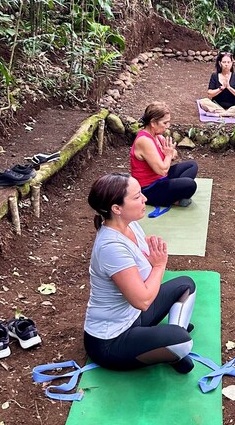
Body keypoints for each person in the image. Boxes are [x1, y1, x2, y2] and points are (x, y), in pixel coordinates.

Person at [84, 173, 196, 374]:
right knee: (183, 341)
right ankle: (172, 345)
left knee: (186, 285)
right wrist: (159, 266)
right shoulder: (110, 247)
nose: (145, 199)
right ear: (117, 209)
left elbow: (143, 266)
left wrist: (152, 259)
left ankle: (170, 344)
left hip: (135, 316)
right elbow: (143, 301)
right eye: (137, 197)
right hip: (110, 340)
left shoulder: (130, 224)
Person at [130, 102, 198, 208]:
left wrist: (170, 154)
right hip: (148, 189)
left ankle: (173, 195)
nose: (168, 126)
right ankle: (171, 198)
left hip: (161, 179)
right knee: (190, 185)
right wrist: (168, 155)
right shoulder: (144, 141)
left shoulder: (157, 136)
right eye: (165, 123)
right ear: (153, 123)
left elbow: (174, 154)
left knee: (192, 166)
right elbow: (162, 170)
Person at [199, 51, 235, 118]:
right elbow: (210, 94)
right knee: (203, 102)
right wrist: (221, 88)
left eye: (228, 62)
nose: (226, 64)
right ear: (220, 63)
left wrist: (229, 88)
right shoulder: (215, 75)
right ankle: (230, 114)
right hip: (217, 106)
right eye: (224, 62)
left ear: (232, 63)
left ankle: (220, 114)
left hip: (233, 107)